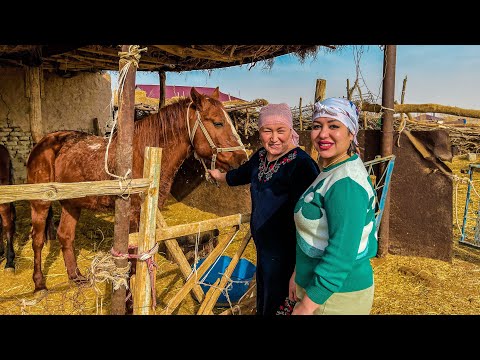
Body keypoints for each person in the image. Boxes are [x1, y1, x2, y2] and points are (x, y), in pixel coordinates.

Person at [208, 103, 319, 315]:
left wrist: (298, 270)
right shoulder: (260, 157)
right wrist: (220, 176)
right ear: (260, 132)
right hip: (264, 252)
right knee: (265, 303)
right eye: (267, 130)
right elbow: (240, 174)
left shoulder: (302, 166)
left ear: (290, 131)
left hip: (289, 257)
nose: (274, 138)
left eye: (281, 130)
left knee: (280, 307)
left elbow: (312, 222)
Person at [290, 97, 377, 315]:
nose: (323, 134)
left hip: (335, 299)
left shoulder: (345, 184)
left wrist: (307, 305)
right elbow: (318, 235)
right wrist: (298, 273)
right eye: (317, 126)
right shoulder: (332, 170)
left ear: (351, 133)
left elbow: (340, 255)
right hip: (321, 291)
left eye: (334, 126)